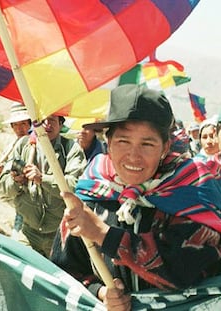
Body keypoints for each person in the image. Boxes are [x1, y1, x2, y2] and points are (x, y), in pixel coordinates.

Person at [50, 84, 221, 310]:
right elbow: (62, 270)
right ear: (108, 143)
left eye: (147, 144)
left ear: (165, 147)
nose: (134, 156)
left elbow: (181, 272)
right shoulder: (91, 192)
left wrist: (103, 234)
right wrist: (100, 292)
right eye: (123, 141)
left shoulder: (192, 188)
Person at [0, 114, 86, 257]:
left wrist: (43, 179)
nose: (46, 125)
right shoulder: (23, 145)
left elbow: (74, 187)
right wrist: (17, 181)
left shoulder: (71, 149)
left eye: (52, 120)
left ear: (61, 124)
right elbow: (6, 189)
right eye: (41, 120)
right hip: (27, 231)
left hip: (59, 234)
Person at [0, 102, 31, 239]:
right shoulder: (11, 147)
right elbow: (1, 187)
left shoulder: (36, 145)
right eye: (16, 125)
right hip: (21, 208)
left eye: (23, 124)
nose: (19, 129)